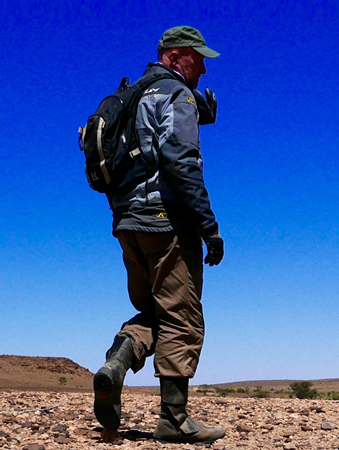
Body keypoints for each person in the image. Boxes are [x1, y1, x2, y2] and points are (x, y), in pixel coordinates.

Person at [92, 26, 226, 444]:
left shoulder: (131, 97)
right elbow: (181, 162)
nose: (203, 66)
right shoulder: (175, 94)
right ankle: (174, 418)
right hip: (167, 223)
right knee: (182, 317)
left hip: (126, 222)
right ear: (172, 56)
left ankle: (118, 361)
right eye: (196, 57)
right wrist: (209, 227)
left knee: (155, 311)